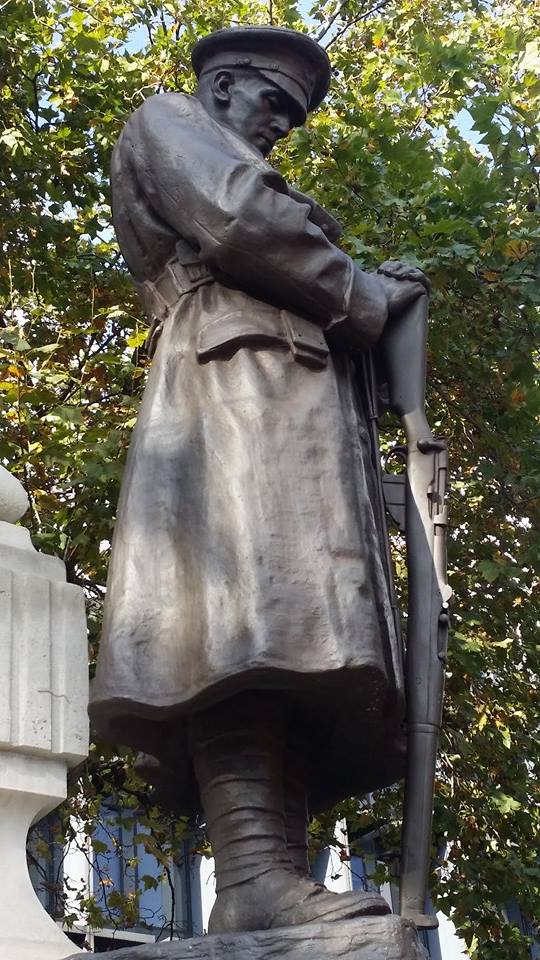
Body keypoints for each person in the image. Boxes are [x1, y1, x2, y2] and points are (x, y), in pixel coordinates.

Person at [89, 25, 429, 933]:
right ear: (224, 84)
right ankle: (252, 876)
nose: (282, 123)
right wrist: (361, 290)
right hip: (231, 390)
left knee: (291, 640)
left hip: (290, 404)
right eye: (273, 101)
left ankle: (265, 883)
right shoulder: (168, 119)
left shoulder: (222, 136)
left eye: (296, 112)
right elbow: (242, 217)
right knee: (243, 632)